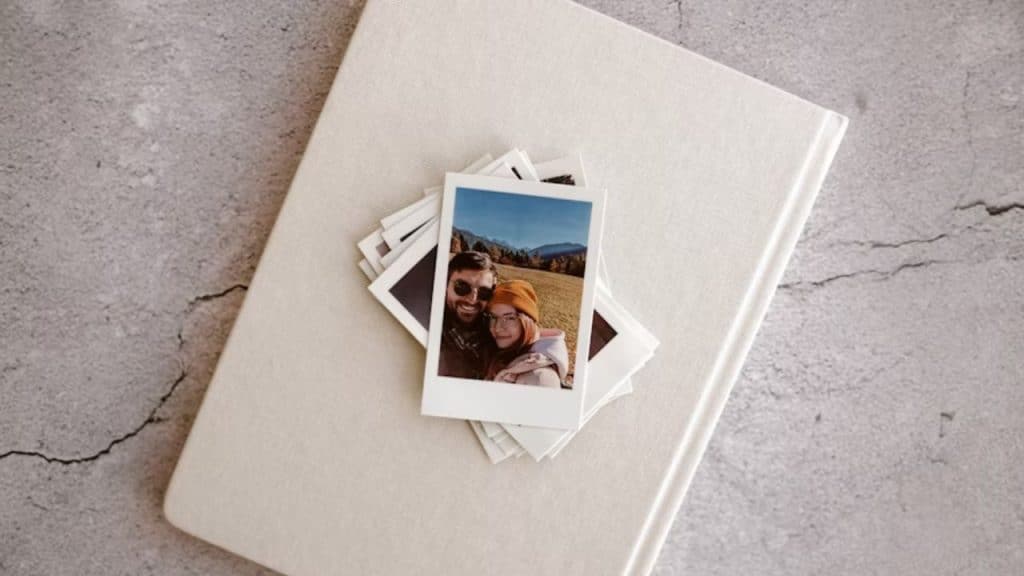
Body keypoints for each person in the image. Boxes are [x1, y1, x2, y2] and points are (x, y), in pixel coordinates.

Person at [483, 280, 568, 388]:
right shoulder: (504, 354)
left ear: (527, 322)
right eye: (493, 317)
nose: (497, 328)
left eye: (510, 318)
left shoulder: (539, 379)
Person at [439, 251, 497, 379]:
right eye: (462, 287)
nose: (472, 300)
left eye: (484, 292)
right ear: (444, 284)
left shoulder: (495, 330)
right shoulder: (428, 326)